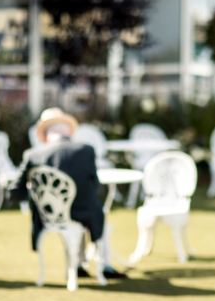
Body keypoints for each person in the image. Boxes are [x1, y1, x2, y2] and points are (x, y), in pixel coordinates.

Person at [7, 108, 126, 279]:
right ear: (67, 132)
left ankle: (80, 265)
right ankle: (102, 265)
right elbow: (95, 185)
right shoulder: (86, 151)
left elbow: (14, 193)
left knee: (86, 212)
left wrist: (36, 190)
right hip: (85, 214)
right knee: (96, 211)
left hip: (51, 216)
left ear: (46, 135)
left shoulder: (33, 155)